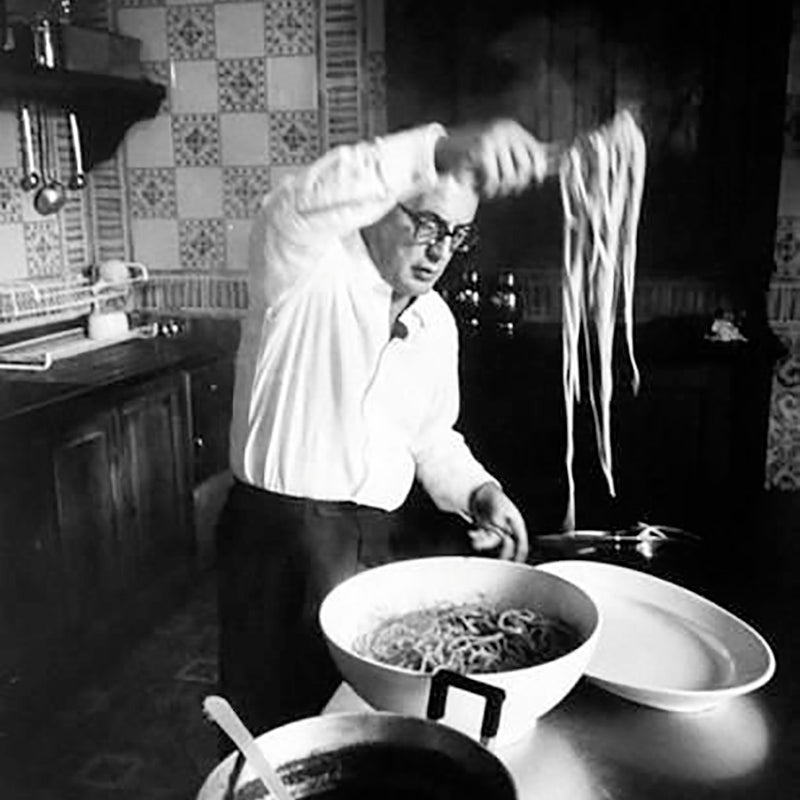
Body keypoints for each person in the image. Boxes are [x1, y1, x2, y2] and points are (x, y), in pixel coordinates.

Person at [216, 118, 547, 736]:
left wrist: (480, 491)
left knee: (354, 722)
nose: (438, 249)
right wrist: (441, 148)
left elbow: (430, 435)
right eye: (424, 223)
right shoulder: (304, 265)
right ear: (376, 208)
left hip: (373, 541)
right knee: (267, 728)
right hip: (281, 542)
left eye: (455, 234)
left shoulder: (435, 323)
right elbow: (301, 199)